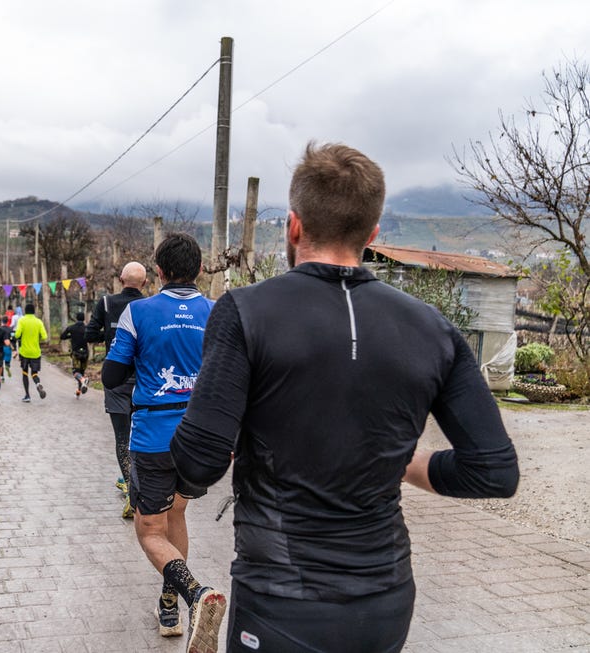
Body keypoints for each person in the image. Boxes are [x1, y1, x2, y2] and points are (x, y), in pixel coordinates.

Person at [170, 142, 520, 653]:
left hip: (281, 601)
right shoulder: (433, 329)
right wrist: (394, 459)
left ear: (293, 226)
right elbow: (493, 472)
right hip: (385, 599)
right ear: (372, 233)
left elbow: (198, 464)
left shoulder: (245, 311)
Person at [101, 233, 224, 648]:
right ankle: (167, 605)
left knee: (149, 528)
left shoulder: (138, 312)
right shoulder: (218, 312)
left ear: (159, 271)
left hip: (155, 436)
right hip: (202, 437)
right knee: (177, 516)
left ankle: (195, 595)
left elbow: (112, 376)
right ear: (201, 270)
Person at [86, 260, 148, 518]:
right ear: (145, 283)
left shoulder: (107, 303)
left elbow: (90, 334)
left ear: (121, 280)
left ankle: (131, 492)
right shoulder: (149, 306)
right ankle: (143, 488)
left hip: (117, 379)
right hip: (145, 380)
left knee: (122, 436)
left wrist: (111, 338)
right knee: (143, 435)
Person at [13, 302, 48, 403]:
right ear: (34, 311)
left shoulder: (22, 321)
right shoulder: (39, 322)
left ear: (25, 311)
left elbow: (17, 335)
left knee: (25, 373)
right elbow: (45, 337)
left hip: (24, 352)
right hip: (35, 352)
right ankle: (37, 384)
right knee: (34, 373)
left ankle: (27, 395)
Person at [60, 311, 91, 397]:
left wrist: (71, 336)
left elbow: (62, 336)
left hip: (76, 353)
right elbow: (91, 337)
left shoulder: (71, 328)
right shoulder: (87, 328)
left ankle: (83, 381)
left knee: (75, 372)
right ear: (84, 318)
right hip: (85, 353)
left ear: (76, 318)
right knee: (81, 372)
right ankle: (78, 390)